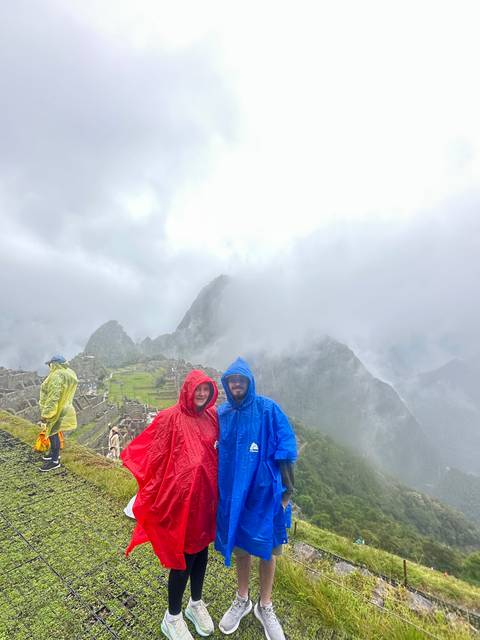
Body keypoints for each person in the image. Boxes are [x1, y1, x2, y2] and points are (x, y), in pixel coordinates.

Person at [121, 370, 219, 640]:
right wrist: (154, 494)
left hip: (205, 502)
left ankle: (195, 603)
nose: (201, 394)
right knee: (183, 558)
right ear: (188, 389)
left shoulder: (211, 417)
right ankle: (172, 616)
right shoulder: (170, 417)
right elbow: (153, 454)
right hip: (180, 504)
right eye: (197, 389)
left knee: (201, 551)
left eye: (206, 389)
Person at [215, 357, 297, 640]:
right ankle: (242, 598)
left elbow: (285, 445)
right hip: (236, 496)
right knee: (241, 549)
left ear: (249, 382)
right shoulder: (223, 414)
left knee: (268, 550)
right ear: (227, 384)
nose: (236, 384)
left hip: (266, 497)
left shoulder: (267, 409)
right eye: (231, 380)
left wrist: (287, 492)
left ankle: (265, 605)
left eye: (241, 380)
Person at [38, 355, 78, 472]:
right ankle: (53, 454)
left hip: (56, 409)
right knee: (53, 432)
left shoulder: (56, 376)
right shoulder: (67, 373)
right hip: (63, 407)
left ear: (54, 364)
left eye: (50, 364)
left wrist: (47, 414)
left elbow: (53, 397)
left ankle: (55, 461)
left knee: (53, 433)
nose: (49, 366)